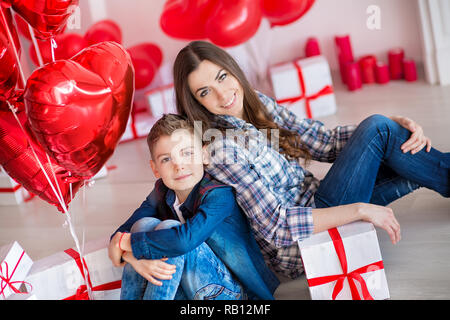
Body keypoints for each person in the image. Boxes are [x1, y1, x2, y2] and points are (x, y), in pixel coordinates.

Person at [172, 40, 450, 279]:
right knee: (381, 131)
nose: (222, 94)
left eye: (222, 76)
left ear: (232, 69)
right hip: (302, 243)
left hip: (318, 199)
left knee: (403, 155)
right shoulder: (221, 149)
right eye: (205, 91)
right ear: (196, 102)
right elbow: (276, 226)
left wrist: (394, 132)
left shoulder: (254, 102)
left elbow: (323, 143)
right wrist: (360, 210)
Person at [108, 113, 279, 300]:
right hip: (188, 289)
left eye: (187, 153)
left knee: (169, 230)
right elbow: (120, 235)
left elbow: (183, 241)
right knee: (142, 226)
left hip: (235, 294)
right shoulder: (161, 191)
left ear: (204, 155)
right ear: (155, 168)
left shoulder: (219, 195)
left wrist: (128, 245)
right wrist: (135, 259)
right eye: (166, 159)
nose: (179, 165)